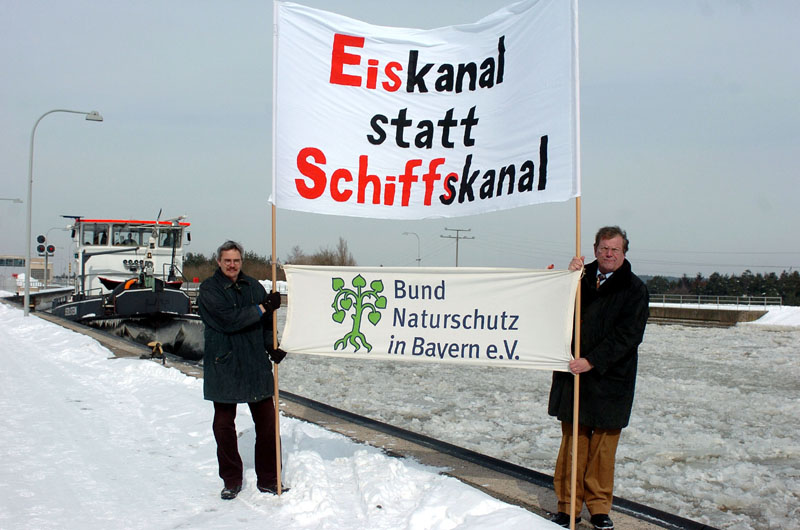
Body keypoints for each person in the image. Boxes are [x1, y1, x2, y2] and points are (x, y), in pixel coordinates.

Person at [548, 226, 649, 530]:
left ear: (624, 253)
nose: (608, 254)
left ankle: (599, 508)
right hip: (574, 377)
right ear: (595, 250)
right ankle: (567, 507)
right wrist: (561, 279)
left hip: (610, 379)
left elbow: (629, 335)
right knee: (573, 447)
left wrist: (592, 360)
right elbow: (556, 308)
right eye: (604, 248)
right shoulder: (577, 278)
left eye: (615, 249)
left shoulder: (634, 289)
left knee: (603, 452)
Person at [198, 240, 287, 500]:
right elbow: (229, 320)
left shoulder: (254, 287)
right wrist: (262, 307)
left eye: (236, 261)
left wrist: (272, 346)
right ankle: (231, 480)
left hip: (254, 365)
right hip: (224, 365)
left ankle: (269, 480)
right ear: (219, 262)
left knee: (268, 425)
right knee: (224, 426)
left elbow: (267, 322)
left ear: (241, 262)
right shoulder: (209, 290)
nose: (232, 265)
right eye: (227, 261)